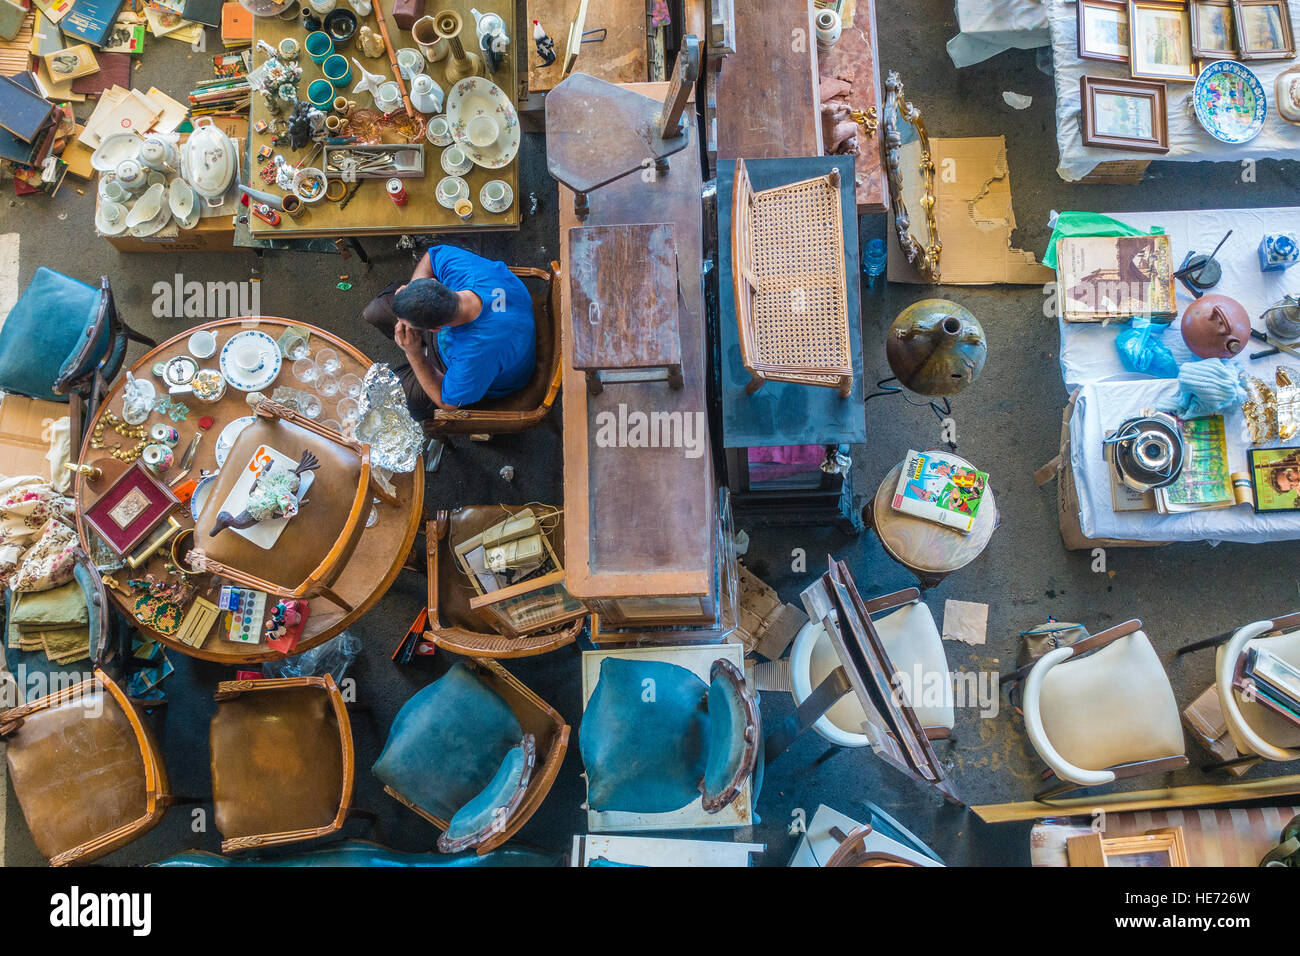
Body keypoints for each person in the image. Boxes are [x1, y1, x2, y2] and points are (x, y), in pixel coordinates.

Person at [363, 244, 536, 420]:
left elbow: (448, 405)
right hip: (499, 328)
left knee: (388, 394)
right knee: (374, 312)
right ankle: (421, 349)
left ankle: (420, 363)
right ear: (435, 283)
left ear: (435, 330)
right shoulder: (463, 271)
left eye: (404, 323)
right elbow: (431, 256)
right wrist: (414, 288)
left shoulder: (473, 356)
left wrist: (414, 355)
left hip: (484, 372)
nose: (399, 322)